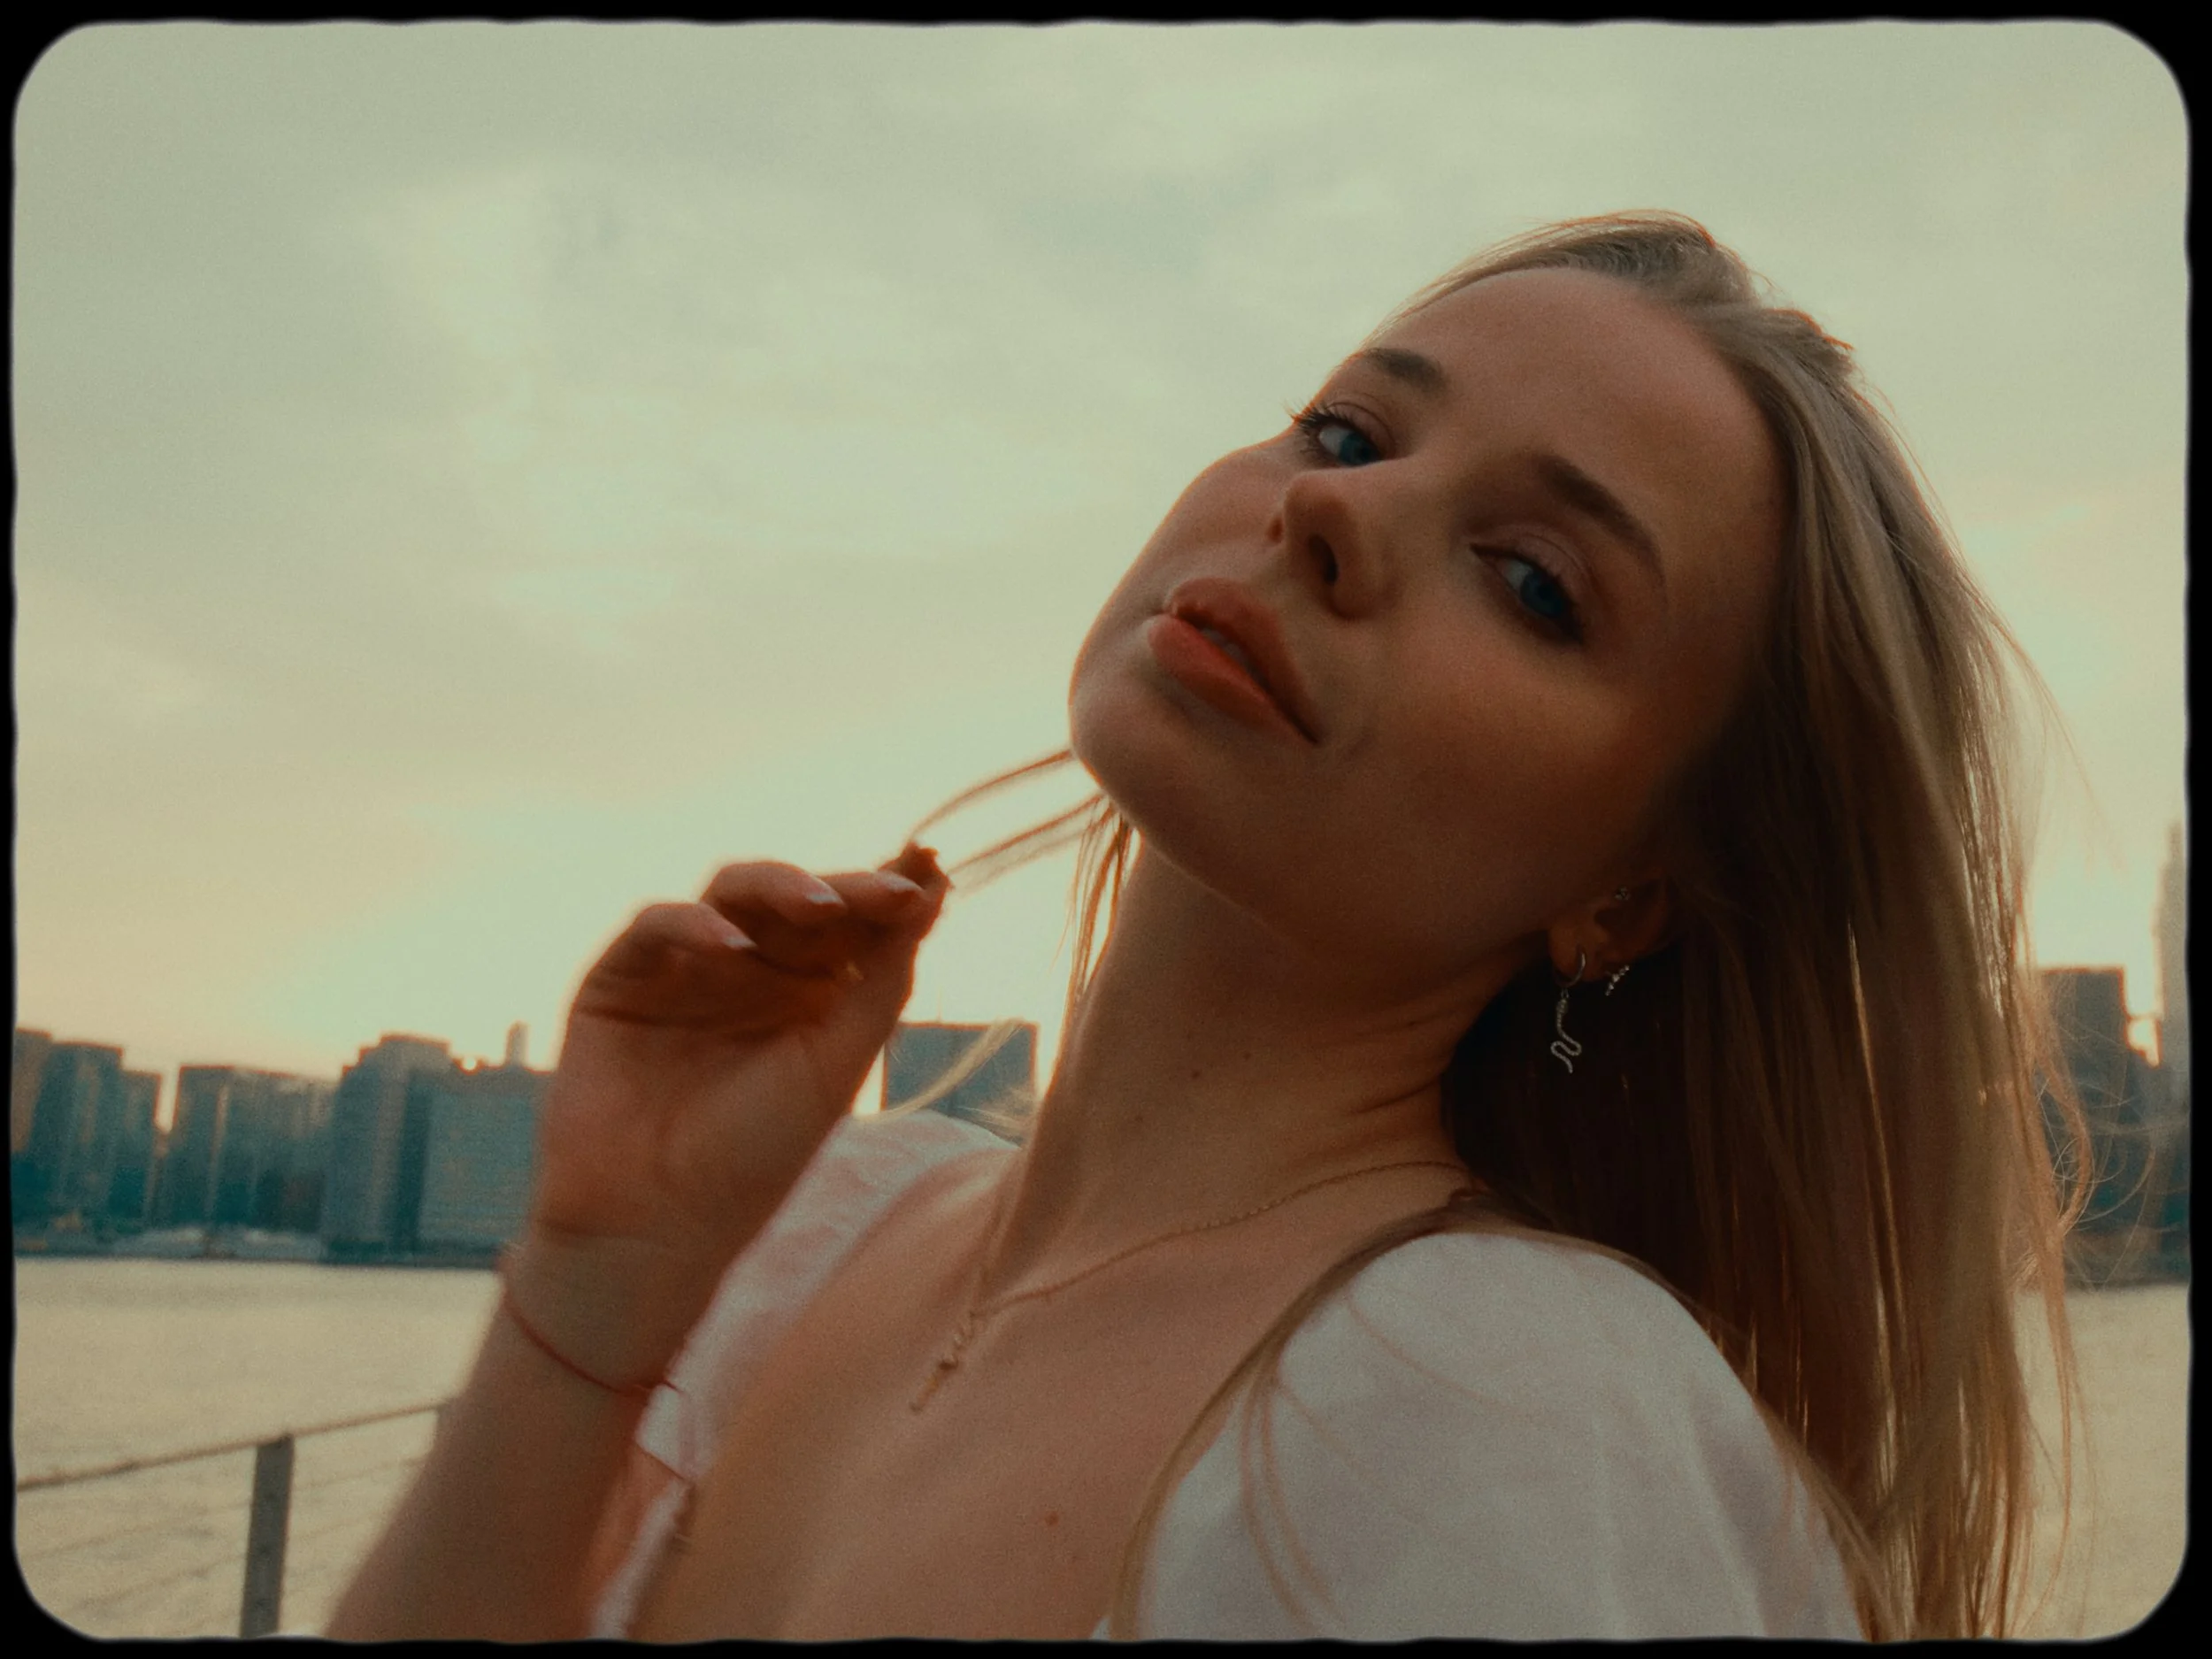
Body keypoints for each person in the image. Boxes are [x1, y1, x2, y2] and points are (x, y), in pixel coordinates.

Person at [326, 212, 2084, 1642]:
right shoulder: (830, 1225)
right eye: (1344, 429)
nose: (1331, 508)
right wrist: (594, 1288)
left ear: (1621, 892)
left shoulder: (1502, 1406)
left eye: (1536, 581)